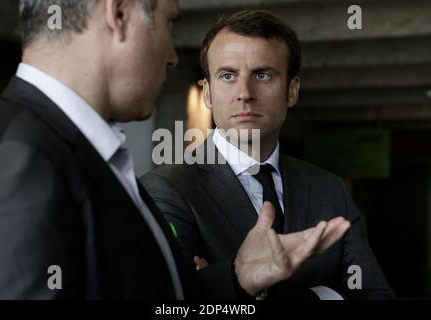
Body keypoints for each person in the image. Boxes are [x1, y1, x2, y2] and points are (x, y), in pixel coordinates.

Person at [0, 1, 350, 299]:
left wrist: (238, 278)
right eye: (169, 23)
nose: (173, 56)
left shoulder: (80, 152)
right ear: (120, 15)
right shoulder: (20, 161)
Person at [141, 10, 394, 300]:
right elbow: (176, 303)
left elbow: (375, 295)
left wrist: (226, 284)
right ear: (208, 93)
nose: (245, 93)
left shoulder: (331, 190)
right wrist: (326, 294)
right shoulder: (165, 190)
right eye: (228, 75)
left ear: (292, 91)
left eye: (262, 75)